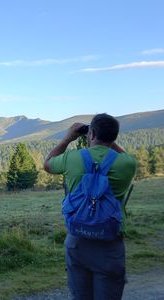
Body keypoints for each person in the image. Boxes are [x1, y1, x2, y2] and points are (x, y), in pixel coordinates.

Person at [43, 113, 136, 300]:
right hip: (110, 243)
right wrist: (110, 141)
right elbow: (124, 155)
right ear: (114, 137)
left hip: (77, 240)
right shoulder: (128, 164)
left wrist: (68, 137)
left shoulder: (72, 158)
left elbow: (47, 164)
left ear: (91, 135)